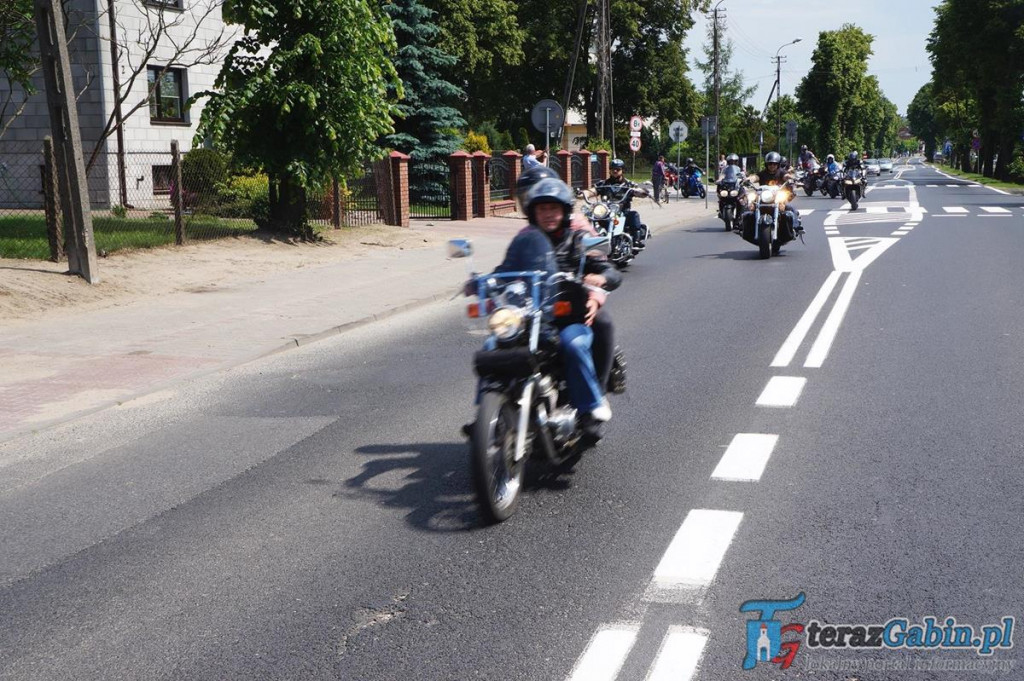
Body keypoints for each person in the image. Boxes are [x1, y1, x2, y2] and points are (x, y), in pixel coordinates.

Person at [489, 178, 620, 438]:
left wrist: (601, 279)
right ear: (532, 213)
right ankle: (488, 412)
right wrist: (481, 283)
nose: (548, 214)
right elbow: (504, 271)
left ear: (564, 211)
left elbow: (609, 270)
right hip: (531, 315)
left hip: (568, 315)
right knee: (493, 346)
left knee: (572, 345)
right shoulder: (524, 242)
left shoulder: (578, 240)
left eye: (554, 208)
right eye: (542, 209)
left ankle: (590, 405)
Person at [589, 158, 650, 249]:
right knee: (590, 216)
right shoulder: (604, 184)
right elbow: (592, 191)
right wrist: (583, 193)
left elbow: (641, 192)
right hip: (606, 213)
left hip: (623, 213)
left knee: (634, 215)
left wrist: (640, 191)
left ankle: (636, 240)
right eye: (612, 168)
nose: (615, 171)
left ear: (622, 170)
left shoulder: (628, 184)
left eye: (618, 169)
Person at [747, 151, 802, 236]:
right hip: (764, 199)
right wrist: (749, 179)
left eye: (774, 164)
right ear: (766, 164)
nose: (772, 166)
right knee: (749, 208)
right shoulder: (762, 173)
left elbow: (786, 176)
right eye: (770, 164)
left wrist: (791, 178)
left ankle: (796, 227)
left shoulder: (781, 172)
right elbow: (755, 177)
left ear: (778, 164)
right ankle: (742, 228)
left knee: (791, 209)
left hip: (777, 198)